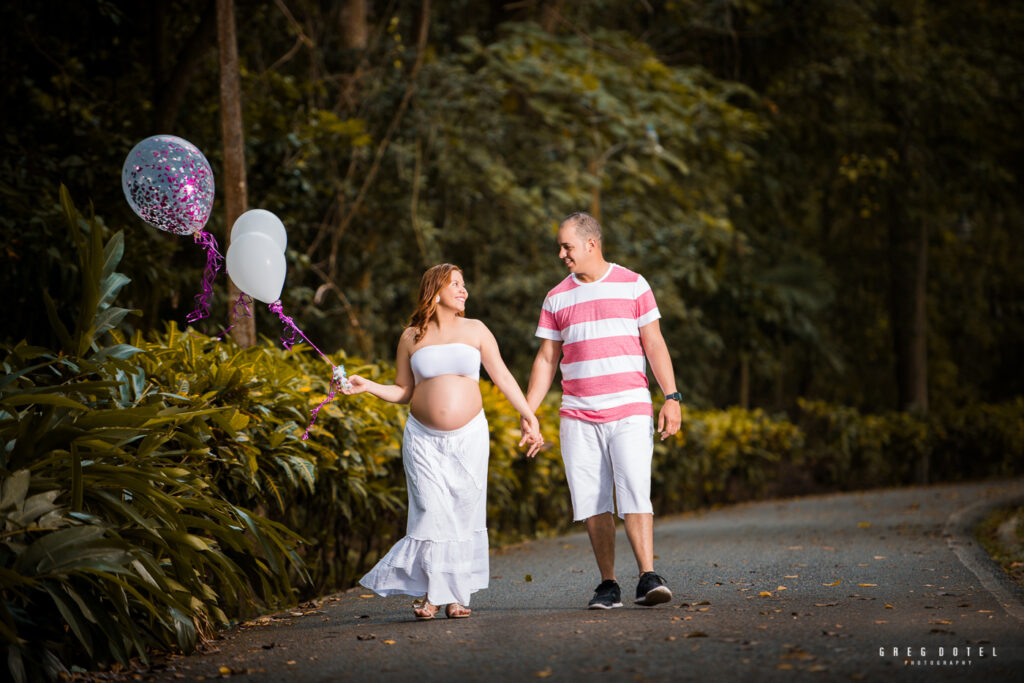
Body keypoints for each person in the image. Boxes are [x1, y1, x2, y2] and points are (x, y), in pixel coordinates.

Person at [342, 263, 543, 620]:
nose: (464, 290)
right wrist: (368, 386)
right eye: (456, 284)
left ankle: (456, 596)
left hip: (470, 436)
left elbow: (502, 376)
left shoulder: (477, 329)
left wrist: (528, 415)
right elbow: (404, 390)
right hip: (422, 438)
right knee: (431, 512)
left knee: (463, 510)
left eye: (464, 284)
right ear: (435, 291)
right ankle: (432, 595)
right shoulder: (411, 336)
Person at [522, 212, 682, 609]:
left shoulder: (633, 284)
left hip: (629, 407)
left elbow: (655, 344)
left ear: (591, 244)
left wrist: (672, 397)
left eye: (567, 246)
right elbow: (546, 358)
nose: (561, 254)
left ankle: (647, 576)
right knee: (592, 500)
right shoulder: (556, 296)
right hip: (577, 413)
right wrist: (529, 411)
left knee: (634, 489)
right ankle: (608, 584)